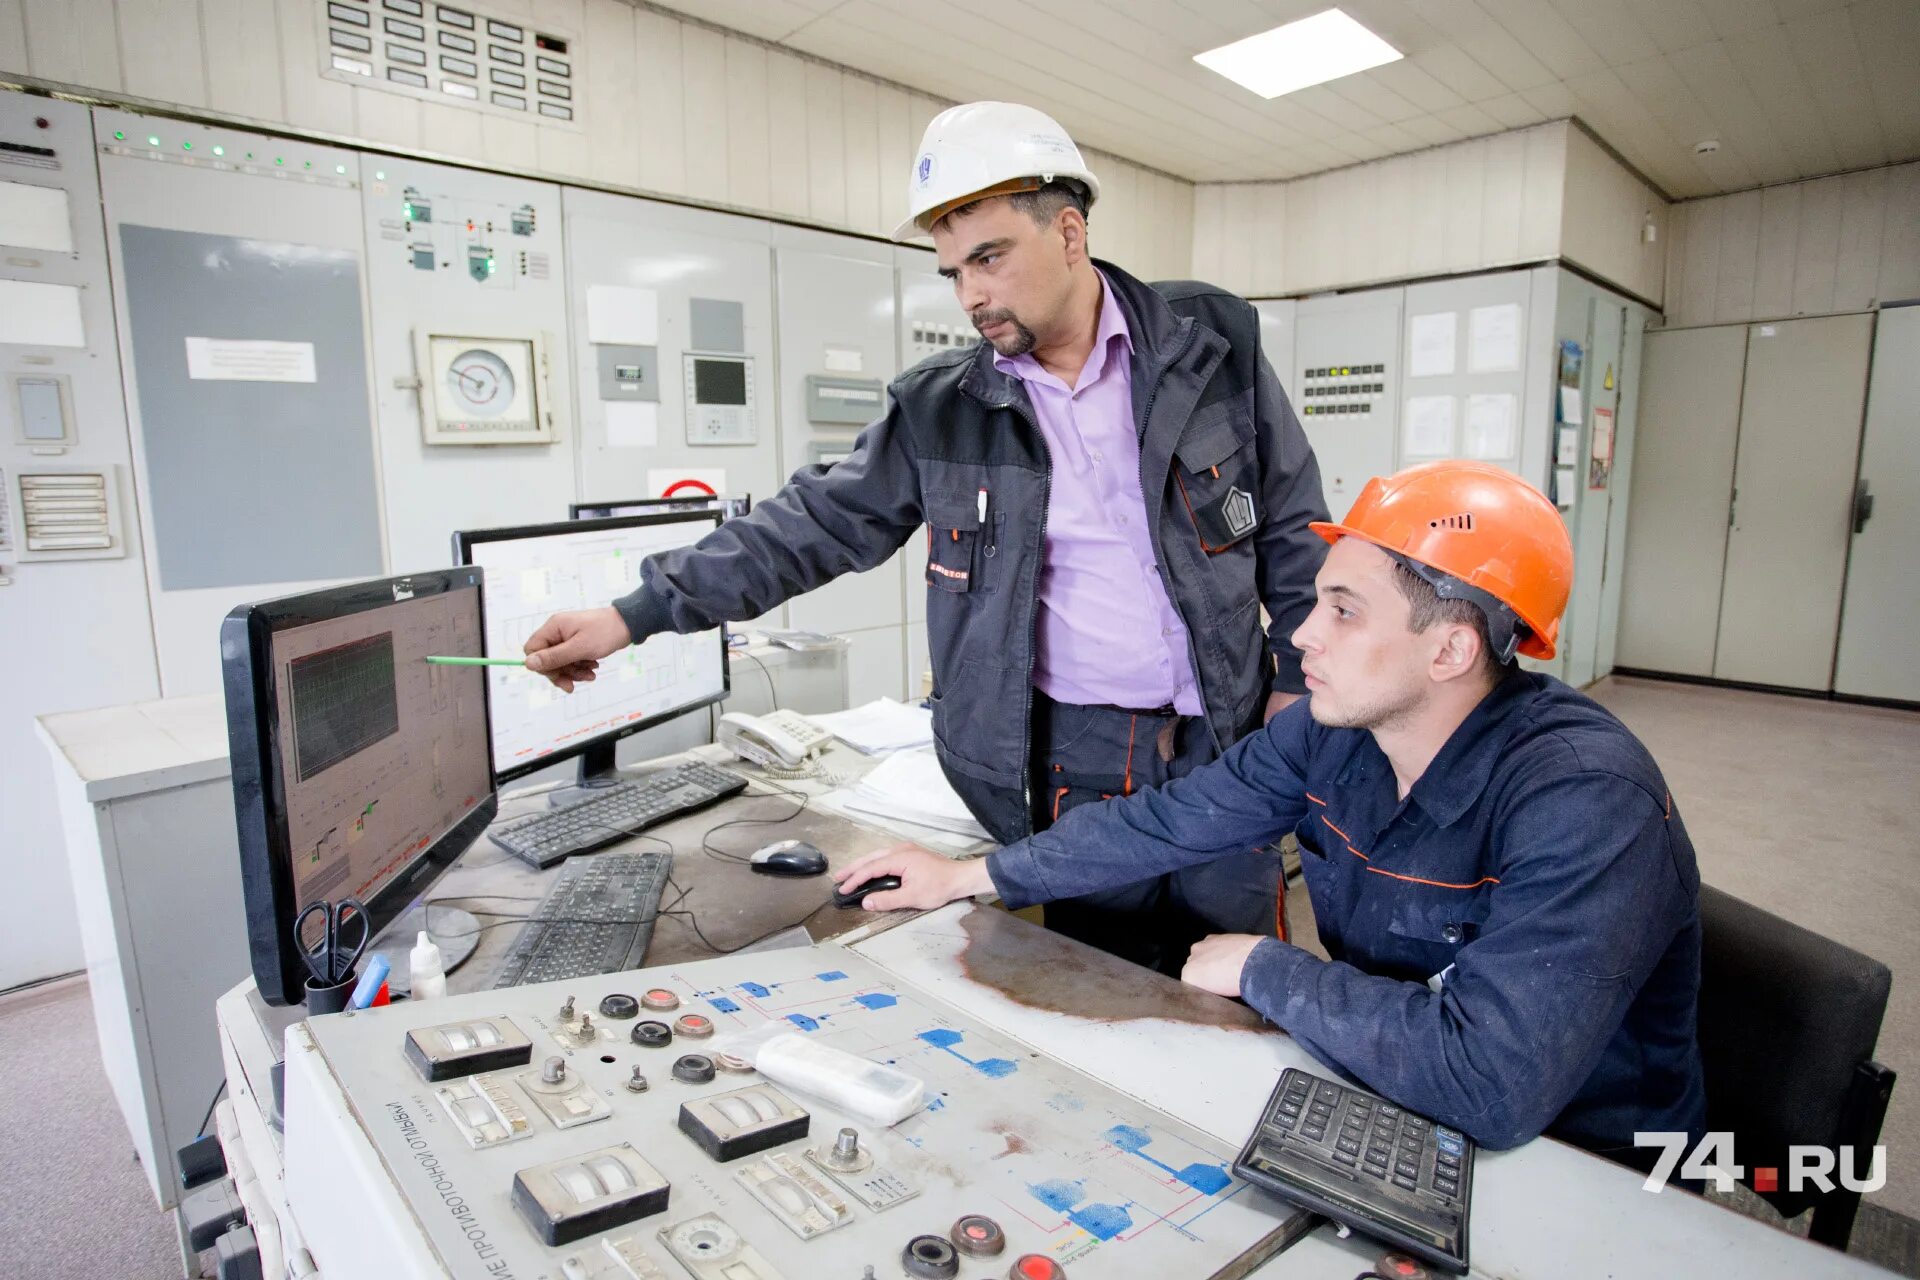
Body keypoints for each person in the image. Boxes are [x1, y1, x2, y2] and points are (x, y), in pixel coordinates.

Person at [520, 101, 1328, 977]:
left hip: (1230, 730)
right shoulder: (945, 409)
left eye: (988, 258)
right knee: (1119, 986)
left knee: (1243, 983)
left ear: (1067, 232)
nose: (971, 294)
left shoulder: (1211, 342)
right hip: (1084, 761)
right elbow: (813, 525)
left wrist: (1293, 676)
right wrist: (633, 613)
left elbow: (1292, 520)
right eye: (952, 271)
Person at [833, 461, 1706, 1158]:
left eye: (1343, 611)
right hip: (1397, 1101)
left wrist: (1268, 969)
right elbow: (1168, 820)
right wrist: (969, 874)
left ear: (1450, 649)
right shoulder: (1339, 734)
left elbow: (1495, 1083)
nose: (1301, 635)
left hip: (1584, 1161)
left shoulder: (1586, 802)